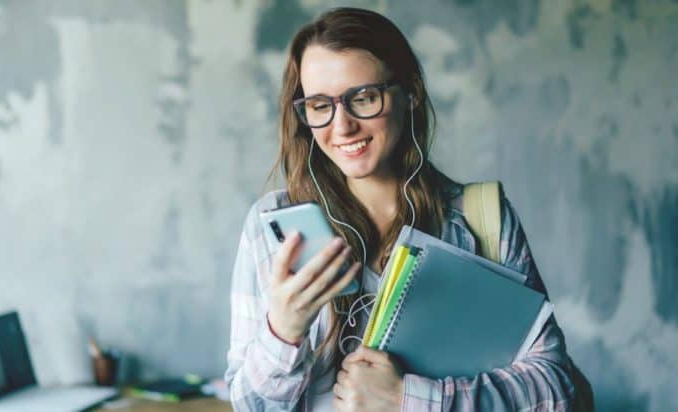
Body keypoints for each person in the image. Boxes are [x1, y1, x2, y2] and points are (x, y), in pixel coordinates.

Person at [225, 7, 581, 411]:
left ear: (409, 93)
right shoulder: (274, 227)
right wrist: (283, 332)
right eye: (320, 105)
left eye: (363, 98)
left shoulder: (481, 219)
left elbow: (556, 388)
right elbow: (250, 405)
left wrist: (408, 399)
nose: (341, 127)